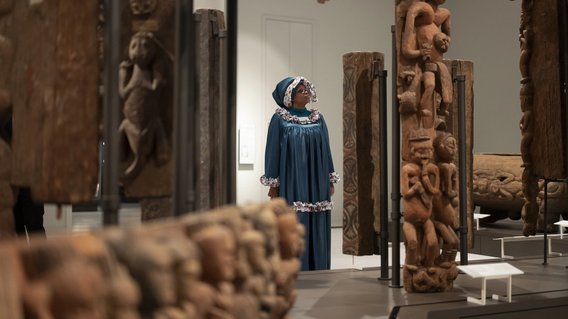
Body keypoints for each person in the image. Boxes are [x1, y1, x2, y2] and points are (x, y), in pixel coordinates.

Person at [261, 76, 339, 271]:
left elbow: (326, 149)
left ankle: (319, 266)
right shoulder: (280, 119)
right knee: (297, 218)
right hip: (292, 178)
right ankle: (296, 266)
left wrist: (330, 178)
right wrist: (274, 184)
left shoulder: (318, 118)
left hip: (317, 178)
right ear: (290, 96)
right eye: (301, 91)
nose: (306, 93)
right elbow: (273, 151)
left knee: (318, 218)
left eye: (307, 90)